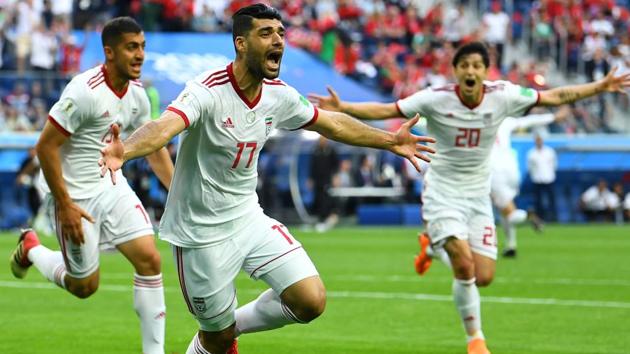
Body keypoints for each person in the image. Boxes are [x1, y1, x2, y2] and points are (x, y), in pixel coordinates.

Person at [98, 5, 435, 354]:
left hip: (247, 219)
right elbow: (162, 128)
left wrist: (390, 140)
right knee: (216, 339)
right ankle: (218, 336)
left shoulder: (279, 94)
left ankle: (231, 328)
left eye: (280, 33)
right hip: (199, 232)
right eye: (266, 33)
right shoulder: (207, 90)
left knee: (310, 300)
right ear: (241, 43)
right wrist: (125, 151)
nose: (277, 40)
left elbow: (331, 123)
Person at [309, 41, 630, 354]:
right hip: (443, 191)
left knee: (484, 276)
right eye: (464, 66)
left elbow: (556, 96)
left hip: (478, 195)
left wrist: (600, 86)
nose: (471, 71)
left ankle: (433, 248)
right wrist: (345, 107)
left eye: (477, 65)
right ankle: (475, 339)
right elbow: (388, 109)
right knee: (464, 267)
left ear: (485, 71)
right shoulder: (436, 98)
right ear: (456, 71)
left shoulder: (503, 95)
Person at [8, 17, 174, 354]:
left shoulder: (139, 95)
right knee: (84, 287)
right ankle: (32, 248)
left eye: (142, 46)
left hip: (112, 187)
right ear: (109, 52)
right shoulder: (84, 92)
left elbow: (152, 146)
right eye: (131, 47)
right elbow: (45, 147)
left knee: (149, 260)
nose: (140, 54)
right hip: (73, 196)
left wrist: (179, 192)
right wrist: (65, 204)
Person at [490, 106, 570, 258]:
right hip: (511, 169)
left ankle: (528, 216)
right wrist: (553, 117)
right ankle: (511, 245)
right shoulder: (505, 121)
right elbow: (529, 121)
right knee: (505, 209)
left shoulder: (478, 122)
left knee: (506, 211)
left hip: (494, 172)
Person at [527, 134, 558, 222]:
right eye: (537, 140)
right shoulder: (531, 153)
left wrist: (551, 174)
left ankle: (553, 218)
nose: (539, 142)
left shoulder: (549, 151)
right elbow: (530, 168)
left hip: (549, 179)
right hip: (537, 180)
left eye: (540, 140)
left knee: (551, 200)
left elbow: (554, 165)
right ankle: (540, 218)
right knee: (538, 201)